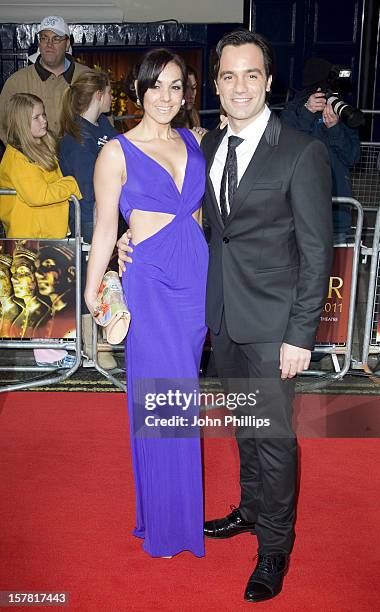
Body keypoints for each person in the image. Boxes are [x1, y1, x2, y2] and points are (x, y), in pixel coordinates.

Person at [118, 29, 333, 602]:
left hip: (274, 327)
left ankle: (274, 547)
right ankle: (249, 508)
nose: (240, 86)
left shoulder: (301, 152)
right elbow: (197, 224)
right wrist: (130, 244)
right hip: (219, 319)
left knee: (276, 439)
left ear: (269, 81)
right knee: (244, 429)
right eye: (228, 75)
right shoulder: (204, 146)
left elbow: (318, 252)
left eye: (252, 75)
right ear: (214, 84)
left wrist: (300, 335)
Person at [84, 49, 208, 558]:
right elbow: (106, 227)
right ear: (137, 92)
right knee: (166, 401)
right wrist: (93, 291)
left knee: (183, 402)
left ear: (186, 93)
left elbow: (209, 215)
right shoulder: (115, 152)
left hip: (197, 282)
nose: (165, 97)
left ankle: (168, 512)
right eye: (155, 86)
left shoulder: (196, 142)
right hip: (150, 283)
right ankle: (169, 526)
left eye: (175, 86)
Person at [0, 92, 81, 367]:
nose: (44, 120)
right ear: (22, 122)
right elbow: (38, 194)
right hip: (28, 237)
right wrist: (72, 185)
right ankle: (46, 355)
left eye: (43, 114)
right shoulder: (16, 157)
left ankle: (51, 350)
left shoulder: (40, 146)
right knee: (38, 296)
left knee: (50, 295)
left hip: (47, 235)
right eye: (36, 117)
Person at [59, 69, 117, 369]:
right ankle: (93, 344)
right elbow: (85, 189)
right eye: (109, 91)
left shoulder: (104, 126)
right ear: (98, 95)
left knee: (106, 280)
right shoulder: (75, 138)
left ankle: (101, 340)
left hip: (107, 215)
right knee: (89, 280)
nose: (113, 97)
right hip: (88, 219)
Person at [280, 57, 360, 244]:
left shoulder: (343, 113)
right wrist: (307, 113)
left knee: (339, 273)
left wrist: (335, 128)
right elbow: (285, 148)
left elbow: (353, 157)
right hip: (300, 215)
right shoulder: (293, 112)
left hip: (337, 214)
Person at [0, 15, 89, 144]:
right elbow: (3, 126)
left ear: (67, 43)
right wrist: (27, 156)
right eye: (44, 38)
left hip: (79, 161)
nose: (49, 44)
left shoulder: (86, 77)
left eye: (56, 39)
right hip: (32, 161)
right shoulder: (17, 82)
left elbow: (104, 122)